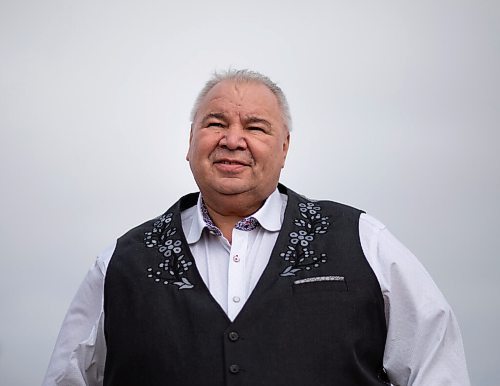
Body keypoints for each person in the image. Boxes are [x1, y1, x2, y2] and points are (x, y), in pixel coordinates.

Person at [43, 69, 471, 386]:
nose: (233, 139)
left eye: (255, 127)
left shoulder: (363, 240)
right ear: (190, 141)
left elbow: (436, 366)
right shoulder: (122, 263)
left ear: (284, 147)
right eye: (216, 123)